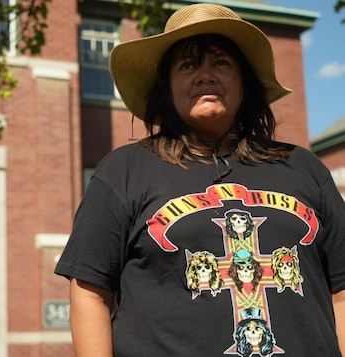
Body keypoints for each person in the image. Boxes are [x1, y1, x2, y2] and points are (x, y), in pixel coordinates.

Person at [54, 3, 345, 356]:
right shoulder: (124, 171)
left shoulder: (305, 169)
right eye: (188, 65)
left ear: (245, 82)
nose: (205, 75)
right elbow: (90, 294)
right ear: (167, 88)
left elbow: (341, 291)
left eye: (221, 62)